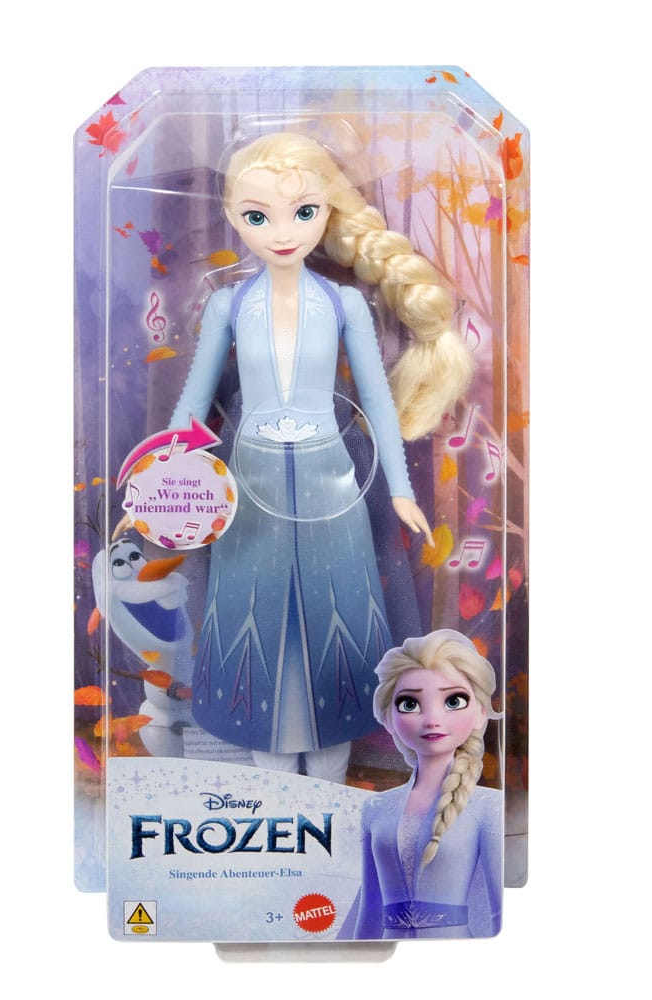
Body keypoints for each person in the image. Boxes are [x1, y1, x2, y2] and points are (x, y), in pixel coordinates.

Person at [169, 133, 471, 782]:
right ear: (232, 216)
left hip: (332, 484)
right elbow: (193, 405)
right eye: (258, 216)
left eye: (302, 212)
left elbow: (378, 402)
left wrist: (399, 490)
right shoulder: (228, 304)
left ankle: (330, 785)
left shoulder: (343, 304)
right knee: (254, 619)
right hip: (248, 488)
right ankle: (274, 777)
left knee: (334, 616)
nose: (282, 232)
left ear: (327, 212)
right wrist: (158, 483)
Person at [341, 629, 502, 938]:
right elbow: (369, 911)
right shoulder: (375, 808)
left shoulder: (487, 807)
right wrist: (353, 957)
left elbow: (499, 913)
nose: (432, 719)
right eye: (409, 704)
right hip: (386, 953)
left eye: (453, 700)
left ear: (481, 713)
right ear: (388, 718)